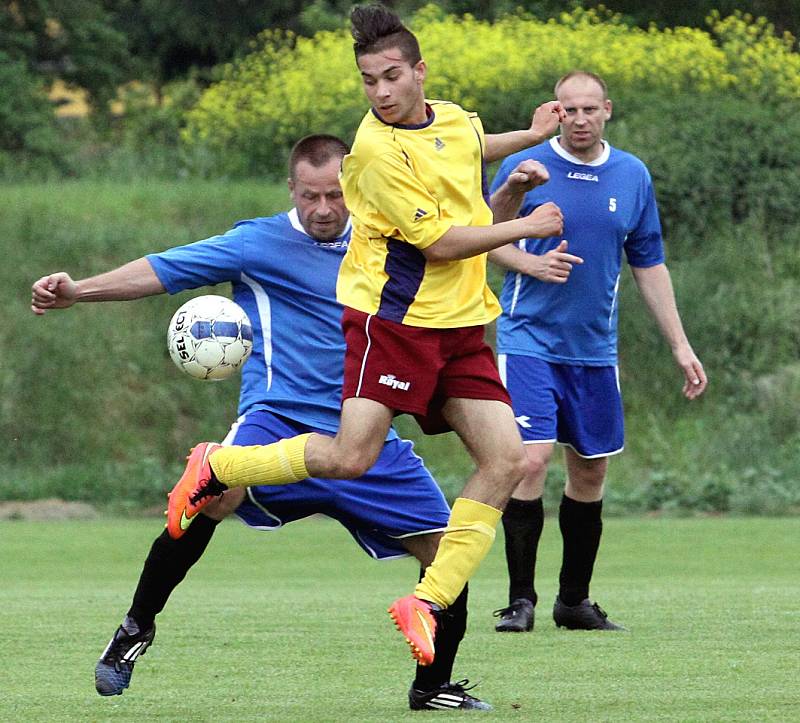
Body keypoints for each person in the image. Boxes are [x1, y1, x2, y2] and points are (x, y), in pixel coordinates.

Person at [164, 3, 566, 668]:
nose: (380, 92)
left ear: (419, 72)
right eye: (368, 81)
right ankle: (220, 466)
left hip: (462, 325)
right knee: (352, 456)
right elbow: (439, 243)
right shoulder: (376, 152)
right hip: (396, 323)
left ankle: (426, 600)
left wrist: (529, 133)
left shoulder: (451, 116)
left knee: (511, 460)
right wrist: (523, 226)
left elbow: (468, 143)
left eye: (390, 77)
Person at [30, 135, 491, 712]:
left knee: (449, 553)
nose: (323, 209)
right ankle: (134, 630)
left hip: (366, 432)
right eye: (309, 196)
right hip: (277, 421)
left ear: (356, 188)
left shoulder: (387, 244)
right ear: (291, 191)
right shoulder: (257, 243)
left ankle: (432, 686)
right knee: (209, 499)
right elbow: (165, 269)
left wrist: (513, 197)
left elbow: (461, 244)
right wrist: (79, 292)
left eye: (335, 195)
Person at [488, 71, 708, 634]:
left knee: (589, 470)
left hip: (594, 350)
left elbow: (649, 263)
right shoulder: (529, 165)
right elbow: (483, 233)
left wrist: (680, 346)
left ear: (606, 109)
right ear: (555, 112)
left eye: (590, 108)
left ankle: (573, 602)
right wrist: (517, 204)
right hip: (527, 338)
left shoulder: (631, 174)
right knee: (530, 459)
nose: (580, 118)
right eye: (569, 110)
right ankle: (520, 601)